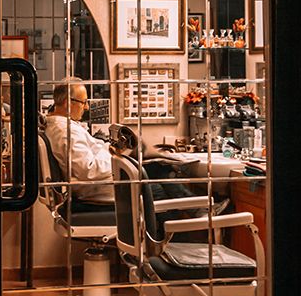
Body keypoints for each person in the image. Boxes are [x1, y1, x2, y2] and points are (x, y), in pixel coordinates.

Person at [44, 78, 199, 215]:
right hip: (96, 192)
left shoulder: (65, 126)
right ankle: (177, 228)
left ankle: (197, 210)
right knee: (156, 188)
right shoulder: (64, 131)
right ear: (67, 102)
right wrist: (117, 156)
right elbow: (88, 169)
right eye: (83, 102)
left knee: (159, 167)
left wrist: (113, 149)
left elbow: (91, 154)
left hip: (101, 183)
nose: (86, 108)